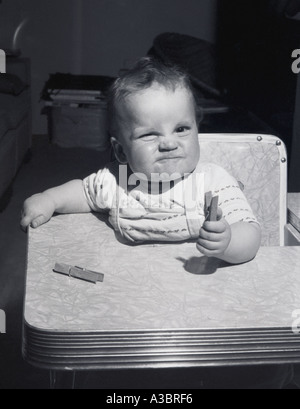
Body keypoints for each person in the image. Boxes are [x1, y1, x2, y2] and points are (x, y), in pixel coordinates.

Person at [20, 57, 261, 265]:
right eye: (149, 134)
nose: (169, 143)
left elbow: (250, 232)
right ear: (121, 151)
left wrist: (228, 243)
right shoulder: (118, 180)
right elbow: (83, 192)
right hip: (129, 290)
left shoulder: (211, 181)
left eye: (181, 129)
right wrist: (49, 199)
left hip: (196, 289)